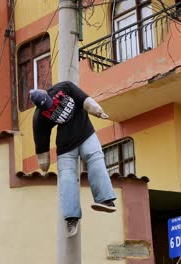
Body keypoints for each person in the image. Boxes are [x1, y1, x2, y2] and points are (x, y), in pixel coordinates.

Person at [30, 81, 117, 238]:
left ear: (48, 94)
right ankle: (71, 217)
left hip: (85, 132)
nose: (51, 108)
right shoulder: (39, 118)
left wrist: (98, 111)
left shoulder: (65, 88)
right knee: (66, 179)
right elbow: (41, 142)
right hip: (65, 145)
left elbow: (84, 100)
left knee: (96, 160)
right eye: (47, 108)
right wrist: (44, 165)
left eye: (51, 104)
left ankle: (105, 200)